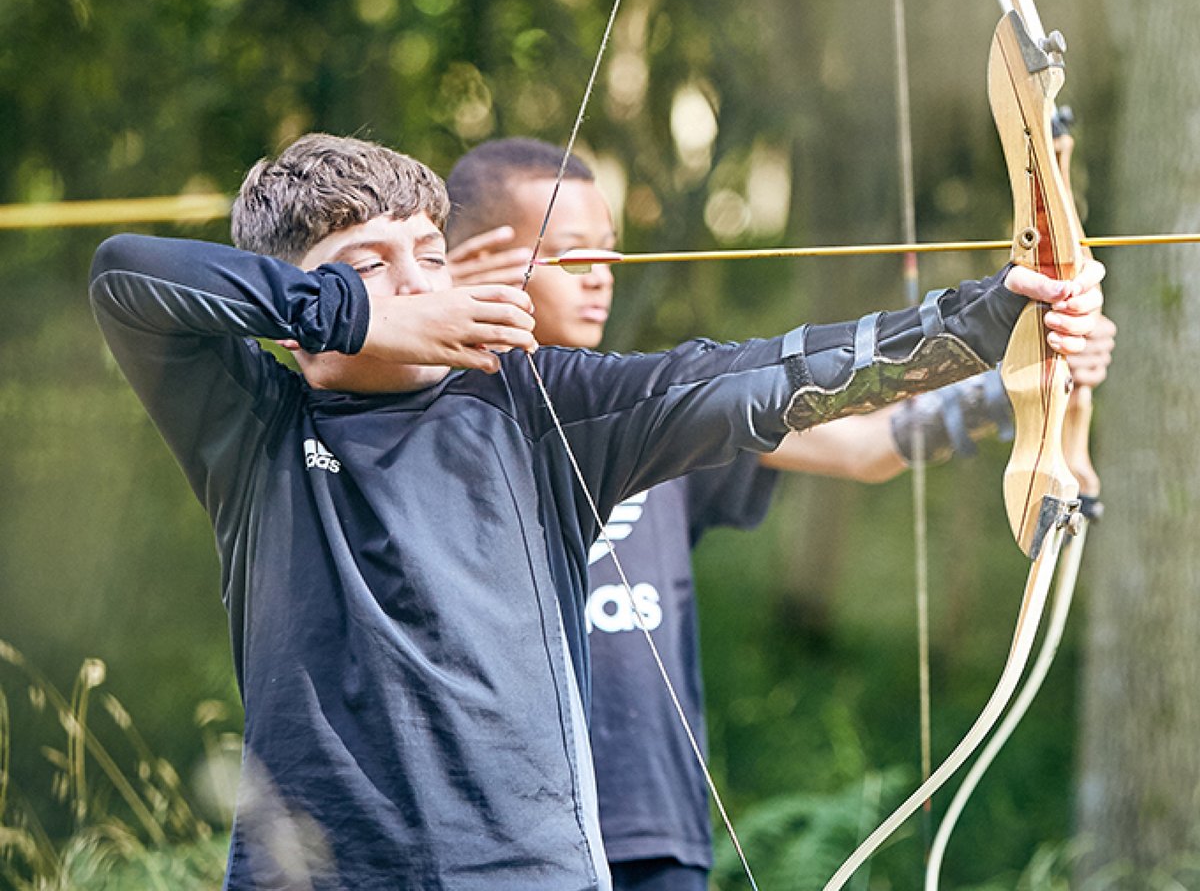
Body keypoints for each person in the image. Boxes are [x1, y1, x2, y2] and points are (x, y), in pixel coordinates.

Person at [88, 133, 1105, 891]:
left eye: (427, 255)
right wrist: (358, 314)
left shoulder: (542, 406)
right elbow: (126, 275)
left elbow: (758, 378)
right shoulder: (254, 431)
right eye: (365, 263)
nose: (413, 281)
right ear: (289, 304)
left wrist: (991, 321)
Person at [445, 137, 1115, 891]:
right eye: (571, 256)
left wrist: (1022, 377)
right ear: (478, 260)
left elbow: (866, 446)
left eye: (610, 251)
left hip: (650, 825)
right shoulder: (428, 431)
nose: (603, 276)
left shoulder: (656, 417)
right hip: (500, 834)